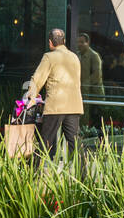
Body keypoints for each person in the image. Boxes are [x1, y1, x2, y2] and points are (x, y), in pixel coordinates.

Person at [27, 28, 83, 163]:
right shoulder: (74, 57)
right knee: (75, 144)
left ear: (50, 43)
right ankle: (83, 177)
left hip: (56, 106)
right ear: (64, 41)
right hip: (74, 106)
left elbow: (37, 79)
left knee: (45, 142)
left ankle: (31, 175)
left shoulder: (49, 57)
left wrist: (31, 98)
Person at [76, 33, 103, 100]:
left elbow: (97, 74)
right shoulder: (77, 55)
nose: (79, 44)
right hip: (82, 92)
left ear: (87, 43)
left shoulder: (94, 55)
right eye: (78, 42)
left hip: (94, 94)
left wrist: (84, 84)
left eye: (82, 42)